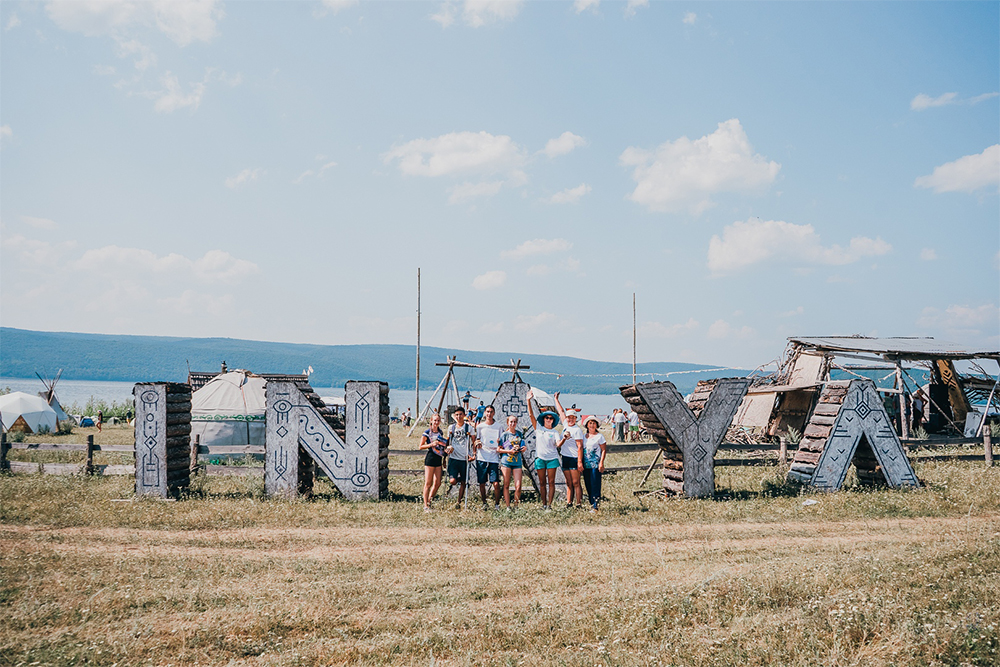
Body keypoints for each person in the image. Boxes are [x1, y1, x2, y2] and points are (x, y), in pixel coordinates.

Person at [526, 390, 561, 510]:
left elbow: (558, 444)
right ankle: (544, 504)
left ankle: (550, 505)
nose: (549, 419)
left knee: (551, 482)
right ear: (544, 419)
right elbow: (531, 415)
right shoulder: (539, 428)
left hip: (552, 459)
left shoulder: (555, 432)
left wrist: (564, 439)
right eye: (547, 417)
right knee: (542, 483)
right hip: (540, 458)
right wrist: (528, 401)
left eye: (551, 418)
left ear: (553, 420)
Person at [554, 392, 584, 509]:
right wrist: (556, 399)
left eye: (572, 417)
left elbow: (580, 446)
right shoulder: (566, 425)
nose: (570, 419)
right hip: (565, 457)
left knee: (576, 482)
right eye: (569, 417)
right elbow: (561, 411)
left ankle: (579, 504)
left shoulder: (577, 430)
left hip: (574, 458)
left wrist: (580, 462)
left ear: (576, 418)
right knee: (568, 482)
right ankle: (569, 502)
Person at [445, 407, 475, 508]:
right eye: (457, 415)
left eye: (460, 414)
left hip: (464, 458)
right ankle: (457, 479)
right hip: (453, 458)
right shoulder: (451, 428)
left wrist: (474, 454)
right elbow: (447, 442)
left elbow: (474, 441)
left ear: (464, 415)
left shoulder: (469, 428)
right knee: (452, 481)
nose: (459, 417)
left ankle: (459, 501)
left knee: (463, 482)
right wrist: (446, 453)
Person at [474, 405, 502, 509]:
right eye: (487, 412)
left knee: (495, 483)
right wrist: (477, 443)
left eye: (491, 412)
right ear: (485, 413)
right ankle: (484, 503)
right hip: (482, 457)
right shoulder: (480, 426)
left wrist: (499, 443)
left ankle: (497, 504)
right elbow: (476, 439)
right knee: (482, 483)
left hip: (494, 457)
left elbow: (502, 441)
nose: (489, 414)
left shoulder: (499, 426)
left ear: (494, 413)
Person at [418, 413, 447, 511]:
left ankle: (430, 500)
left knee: (438, 482)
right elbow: (420, 446)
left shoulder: (440, 432)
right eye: (435, 420)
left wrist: (444, 459)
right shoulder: (427, 432)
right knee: (428, 483)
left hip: (438, 458)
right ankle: (425, 505)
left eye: (438, 420)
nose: (436, 422)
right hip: (430, 458)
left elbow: (442, 446)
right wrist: (431, 444)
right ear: (431, 421)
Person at [496, 415, 525, 509]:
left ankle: (516, 505)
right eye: (511, 422)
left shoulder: (519, 434)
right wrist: (509, 451)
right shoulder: (505, 435)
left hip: (517, 462)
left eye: (514, 422)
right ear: (507, 422)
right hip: (506, 462)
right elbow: (499, 449)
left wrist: (523, 448)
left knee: (518, 486)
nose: (513, 424)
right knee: (506, 484)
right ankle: (508, 506)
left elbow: (523, 445)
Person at [581, 415, 607, 511]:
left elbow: (603, 450)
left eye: (594, 423)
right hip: (585, 464)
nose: (592, 425)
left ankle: (596, 504)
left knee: (595, 484)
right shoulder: (584, 436)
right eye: (590, 423)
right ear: (587, 425)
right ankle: (591, 503)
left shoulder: (600, 436)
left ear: (596, 425)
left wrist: (601, 463)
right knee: (588, 484)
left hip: (595, 464)